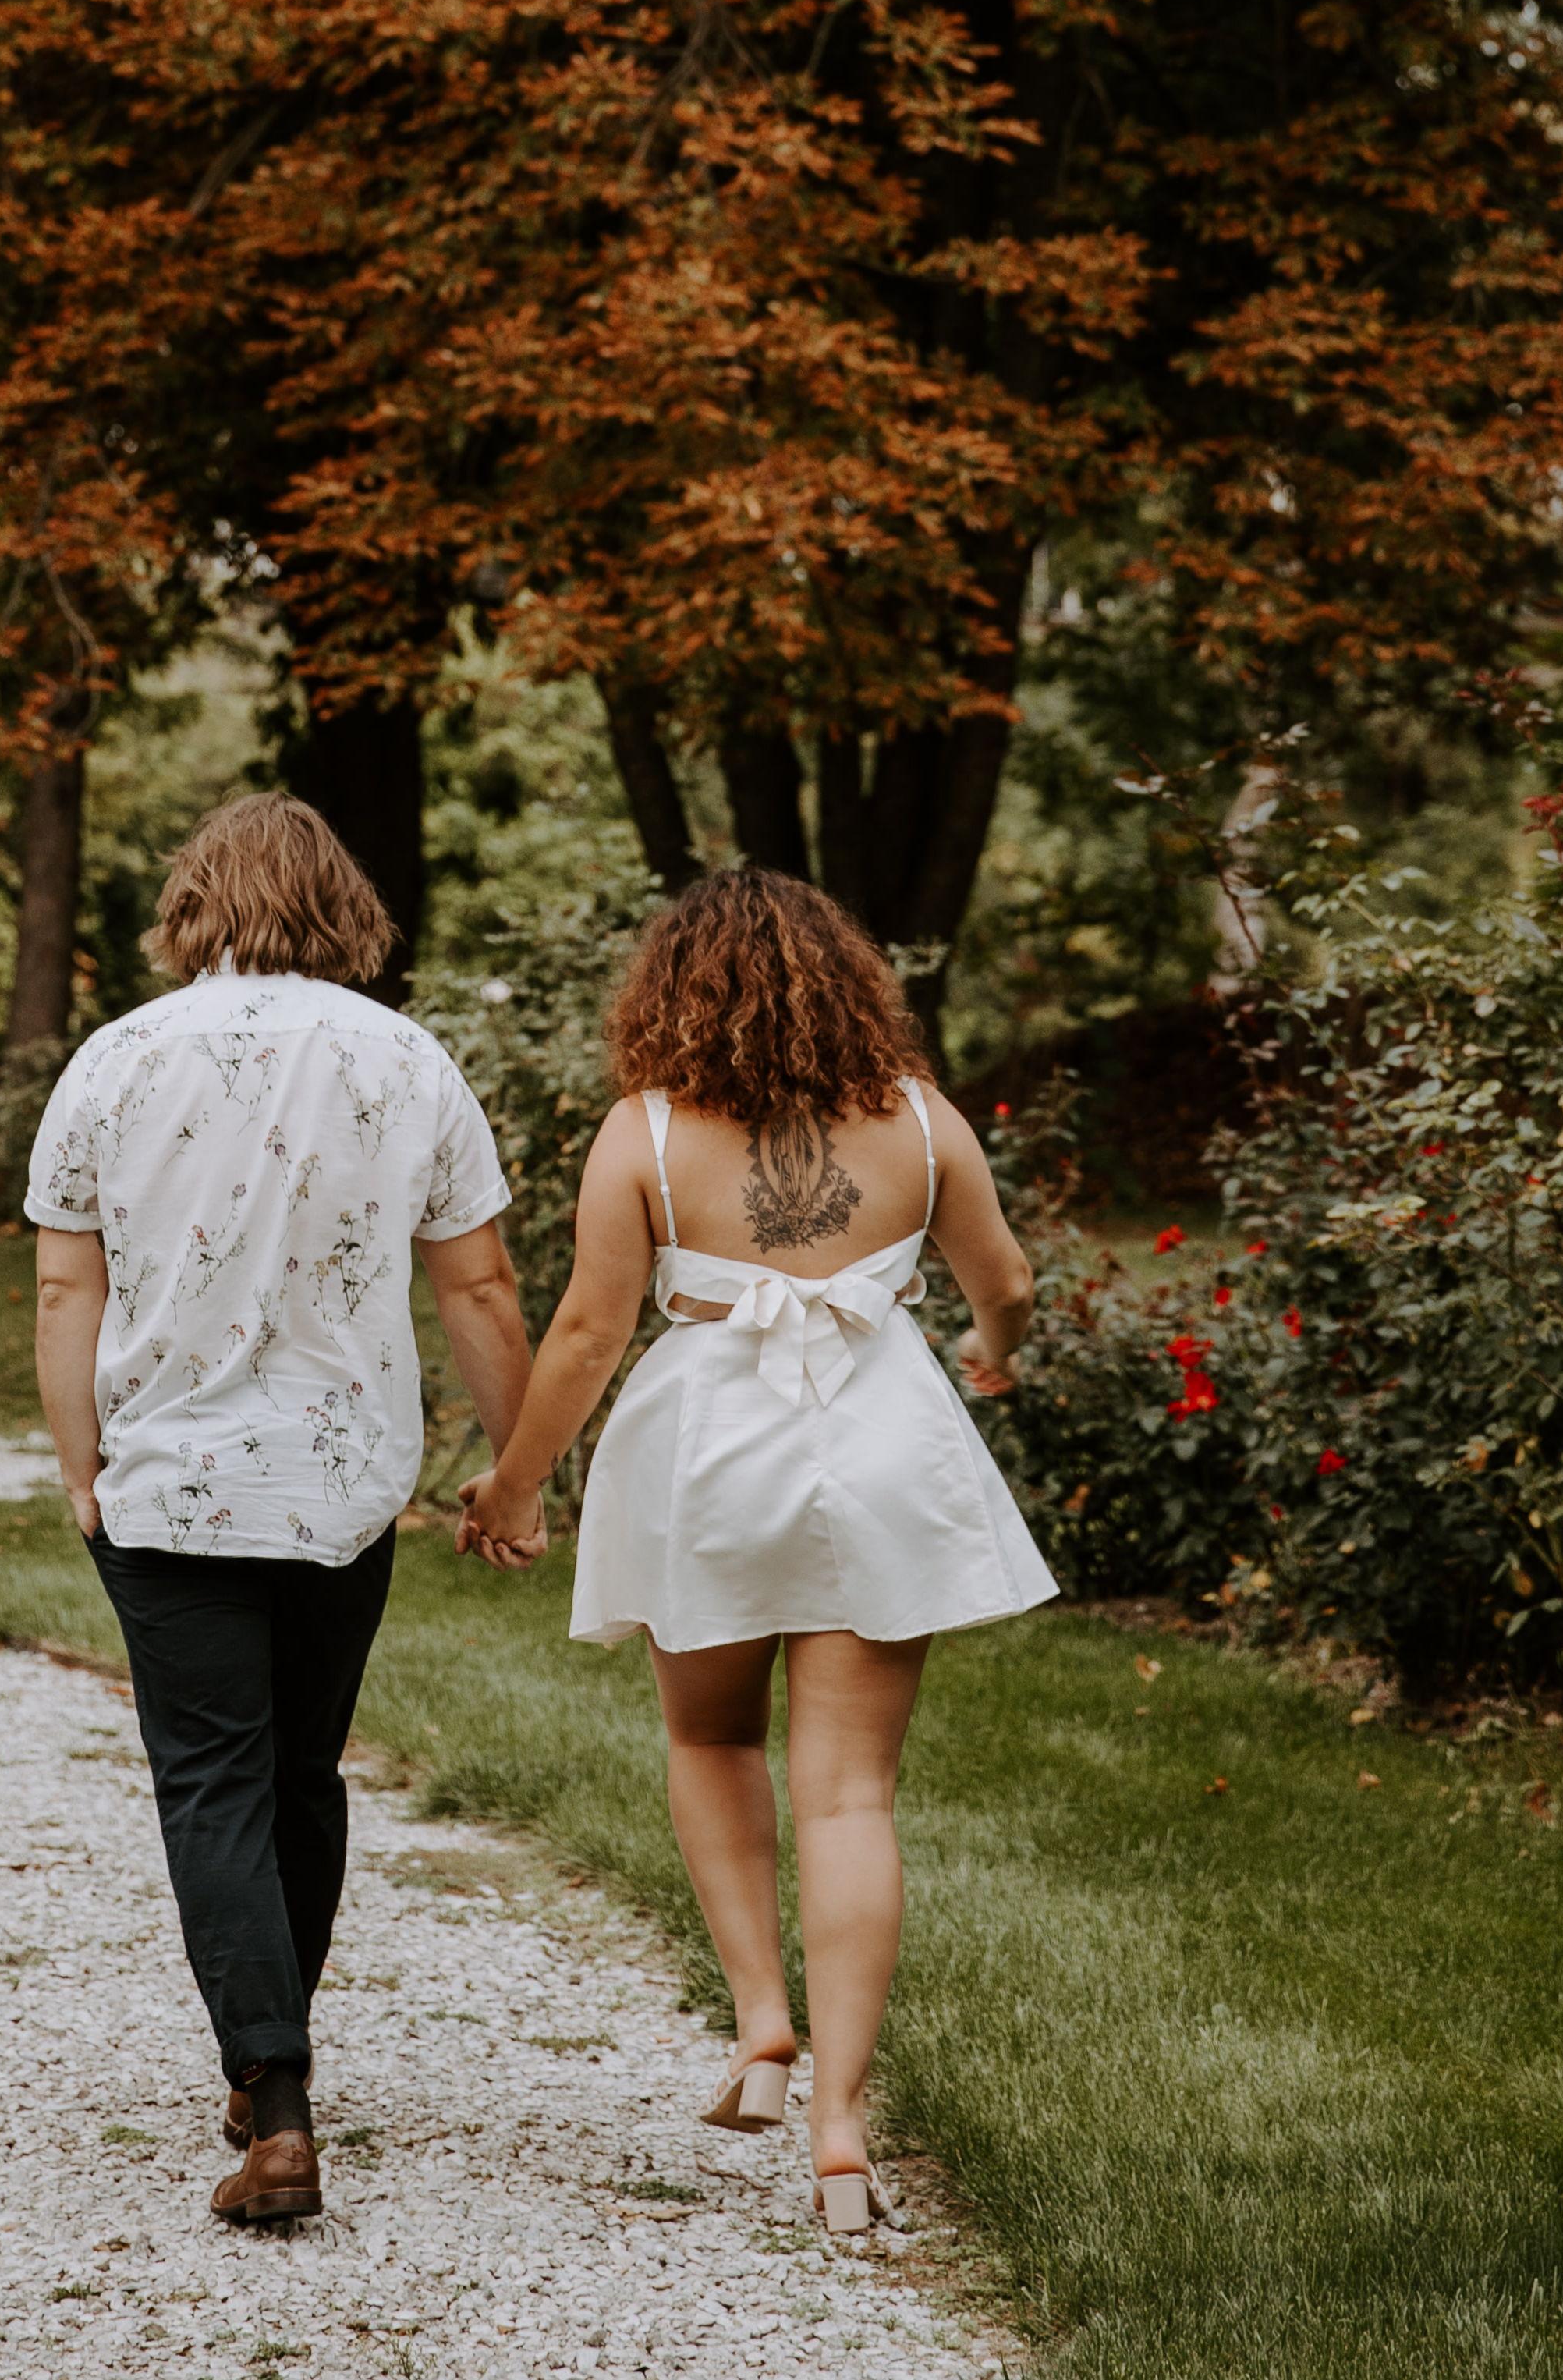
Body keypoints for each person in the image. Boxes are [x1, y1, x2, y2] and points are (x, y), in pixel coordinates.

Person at [455, 865, 1051, 2240]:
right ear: (847, 982)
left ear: (671, 992)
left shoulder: (647, 1131)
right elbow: (1008, 1280)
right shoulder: (920, 1117)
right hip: (882, 1438)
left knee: (712, 1735)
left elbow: (588, 1331)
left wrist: (514, 1485)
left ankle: (762, 2019)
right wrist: (992, 1350)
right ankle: (840, 2133)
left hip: (708, 1452)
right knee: (849, 1797)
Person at [27, 792, 535, 2226]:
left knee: (211, 1777)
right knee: (302, 1771)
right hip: (339, 1481)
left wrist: (79, 1464)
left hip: (168, 1476)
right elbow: (480, 1284)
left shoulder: (113, 1058)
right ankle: (272, 2077)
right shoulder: (408, 1057)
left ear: (194, 902)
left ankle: (276, 2092)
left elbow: (66, 1286)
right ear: (343, 908)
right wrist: (518, 1468)